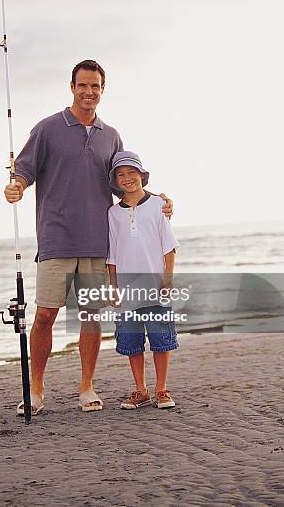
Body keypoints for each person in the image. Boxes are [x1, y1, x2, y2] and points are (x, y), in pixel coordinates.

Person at [4, 60, 173, 414]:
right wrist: (17, 185)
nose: (89, 92)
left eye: (95, 86)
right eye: (83, 85)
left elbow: (125, 180)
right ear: (72, 87)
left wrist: (157, 199)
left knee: (90, 316)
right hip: (56, 239)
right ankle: (35, 391)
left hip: (98, 242)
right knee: (45, 316)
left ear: (102, 90)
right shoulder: (48, 128)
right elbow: (25, 168)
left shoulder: (110, 135)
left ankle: (87, 388)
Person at [107, 151, 179, 409]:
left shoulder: (158, 206)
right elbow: (113, 254)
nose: (127, 179)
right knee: (131, 341)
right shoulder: (113, 214)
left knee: (161, 339)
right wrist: (113, 287)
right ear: (116, 182)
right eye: (121, 175)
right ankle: (141, 390)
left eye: (132, 173)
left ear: (142, 176)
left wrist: (167, 280)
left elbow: (168, 247)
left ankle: (161, 390)